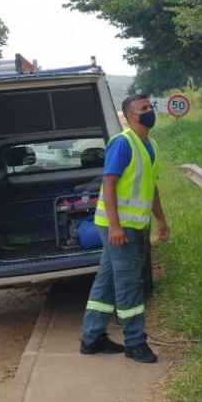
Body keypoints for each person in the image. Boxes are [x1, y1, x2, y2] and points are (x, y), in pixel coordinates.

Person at [79, 93, 170, 363]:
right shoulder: (123, 143)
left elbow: (150, 186)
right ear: (130, 116)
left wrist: (161, 219)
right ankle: (135, 342)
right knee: (129, 282)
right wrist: (116, 226)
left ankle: (91, 338)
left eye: (150, 106)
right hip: (118, 228)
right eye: (143, 108)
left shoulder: (150, 144)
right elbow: (108, 183)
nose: (149, 111)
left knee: (106, 280)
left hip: (134, 225)